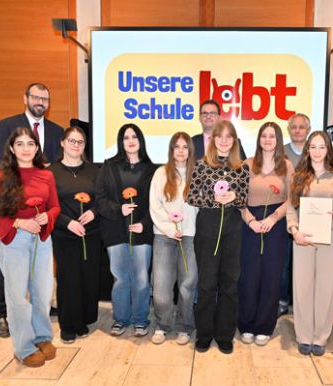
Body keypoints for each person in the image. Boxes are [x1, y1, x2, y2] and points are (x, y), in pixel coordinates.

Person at [0, 83, 64, 338]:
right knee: (8, 267)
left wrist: (42, 174)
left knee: (39, 270)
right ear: (25, 98)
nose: (40, 101)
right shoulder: (8, 124)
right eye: (36, 97)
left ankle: (40, 311)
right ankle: (0, 314)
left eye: (45, 98)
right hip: (14, 206)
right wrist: (22, 173)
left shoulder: (56, 131)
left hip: (41, 210)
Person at [0, 126, 60, 367]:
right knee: (17, 297)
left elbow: (55, 206)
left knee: (43, 291)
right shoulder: (2, 177)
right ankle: (23, 347)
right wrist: (19, 222)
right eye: (20, 144)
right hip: (14, 239)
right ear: (12, 149)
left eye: (30, 144)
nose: (26, 149)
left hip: (42, 239)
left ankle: (42, 336)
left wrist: (48, 217)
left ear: (37, 148)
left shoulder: (47, 175)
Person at [187, 120, 249, 354]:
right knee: (206, 285)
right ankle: (204, 334)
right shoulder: (201, 165)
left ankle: (224, 334)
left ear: (234, 141)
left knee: (229, 284)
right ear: (213, 140)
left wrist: (234, 196)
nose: (224, 141)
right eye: (219, 136)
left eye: (228, 137)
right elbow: (192, 197)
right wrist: (214, 199)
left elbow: (244, 199)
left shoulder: (242, 167)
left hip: (233, 231)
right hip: (207, 229)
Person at [286, 131, 333, 356]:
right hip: (303, 239)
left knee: (324, 288)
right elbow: (290, 207)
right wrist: (294, 230)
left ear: (328, 150)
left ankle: (320, 336)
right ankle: (304, 336)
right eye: (313, 147)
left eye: (322, 147)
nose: (317, 151)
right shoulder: (298, 176)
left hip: (328, 239)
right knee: (302, 288)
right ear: (307, 150)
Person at [96, 123, 157, 337]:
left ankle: (141, 319)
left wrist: (145, 224)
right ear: (121, 142)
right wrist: (118, 209)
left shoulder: (152, 169)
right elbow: (100, 199)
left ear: (140, 140)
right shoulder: (109, 166)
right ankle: (120, 319)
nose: (130, 141)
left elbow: (157, 204)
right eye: (125, 137)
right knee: (120, 278)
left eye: (134, 137)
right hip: (115, 231)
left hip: (141, 232)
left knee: (141, 278)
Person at [238, 122, 293, 347]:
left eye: (272, 136)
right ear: (259, 139)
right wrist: (251, 220)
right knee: (249, 276)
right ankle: (246, 324)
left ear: (278, 140)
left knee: (271, 276)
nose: (268, 140)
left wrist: (273, 218)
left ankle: (264, 326)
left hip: (276, 225)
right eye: (264, 136)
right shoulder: (247, 164)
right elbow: (238, 198)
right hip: (249, 224)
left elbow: (292, 198)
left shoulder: (287, 166)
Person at [49, 127, 101, 344]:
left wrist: (93, 211)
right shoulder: (51, 172)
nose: (76, 145)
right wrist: (67, 223)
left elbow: (102, 198)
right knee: (69, 279)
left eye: (80, 142)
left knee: (88, 278)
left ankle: (85, 319)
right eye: (72, 141)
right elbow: (48, 205)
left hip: (91, 233)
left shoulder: (94, 170)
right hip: (64, 234)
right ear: (62, 143)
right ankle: (69, 324)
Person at [149, 132, 198, 345]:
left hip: (189, 236)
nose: (180, 151)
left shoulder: (197, 174)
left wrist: (185, 228)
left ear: (190, 151)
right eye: (176, 146)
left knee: (187, 285)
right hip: (164, 236)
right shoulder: (161, 173)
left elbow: (200, 207)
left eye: (185, 147)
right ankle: (163, 325)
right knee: (160, 287)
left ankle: (185, 327)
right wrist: (170, 228)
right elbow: (155, 205)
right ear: (171, 150)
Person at [279, 113, 312, 316]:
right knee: (284, 263)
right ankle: (282, 301)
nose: (298, 131)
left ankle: (302, 302)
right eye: (294, 127)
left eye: (302, 127)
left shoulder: (316, 151)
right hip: (285, 215)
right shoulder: (280, 152)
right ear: (289, 130)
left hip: (310, 217)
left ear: (308, 130)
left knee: (305, 264)